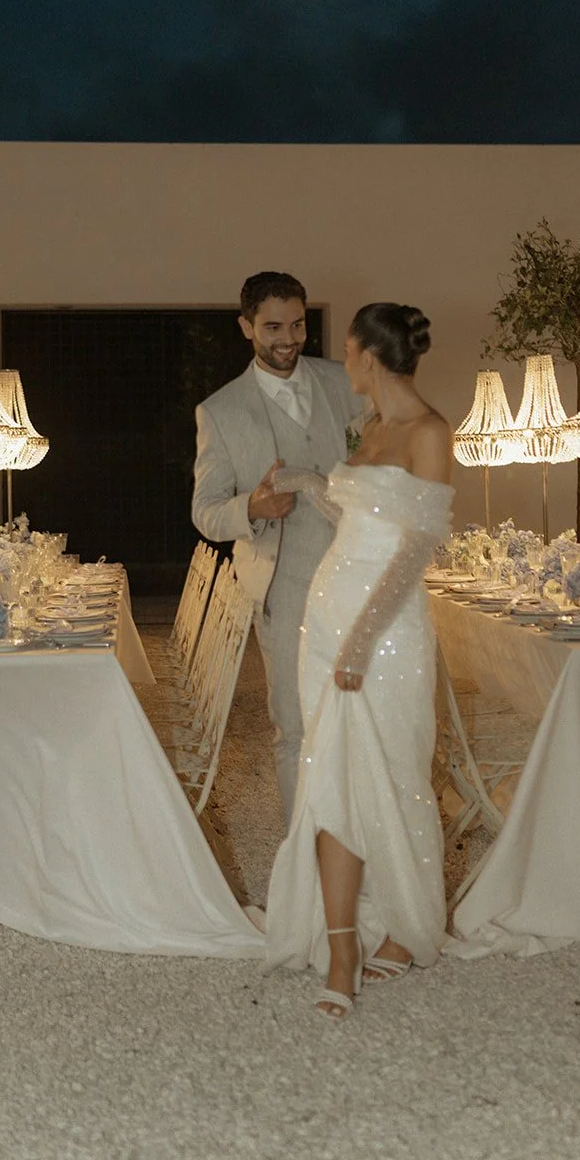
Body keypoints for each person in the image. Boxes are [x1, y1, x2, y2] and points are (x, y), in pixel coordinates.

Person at [264, 302, 454, 1019]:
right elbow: (359, 520)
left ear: (369, 358)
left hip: (386, 629)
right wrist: (306, 483)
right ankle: (342, 948)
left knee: (395, 772)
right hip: (327, 616)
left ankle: (405, 923)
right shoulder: (368, 428)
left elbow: (415, 547)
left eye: (347, 353)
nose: (342, 364)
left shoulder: (428, 432)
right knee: (329, 777)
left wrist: (363, 637)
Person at [192, 272, 367, 822]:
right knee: (294, 726)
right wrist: (252, 506)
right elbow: (205, 511)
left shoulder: (346, 383)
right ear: (246, 327)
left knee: (361, 718)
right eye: (273, 327)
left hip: (358, 577)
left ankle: (357, 838)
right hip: (284, 587)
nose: (288, 339)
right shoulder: (220, 411)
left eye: (297, 324)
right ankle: (303, 857)